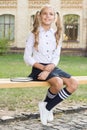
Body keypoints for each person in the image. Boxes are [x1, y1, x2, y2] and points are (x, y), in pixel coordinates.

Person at [24, 4, 78, 125]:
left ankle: (47, 107)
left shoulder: (57, 34)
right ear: (40, 16)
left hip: (52, 67)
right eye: (45, 13)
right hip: (39, 68)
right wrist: (44, 68)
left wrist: (50, 68)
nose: (48, 16)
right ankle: (47, 108)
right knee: (58, 83)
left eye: (51, 14)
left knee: (73, 83)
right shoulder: (33, 34)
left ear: (54, 17)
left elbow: (56, 56)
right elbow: (27, 57)